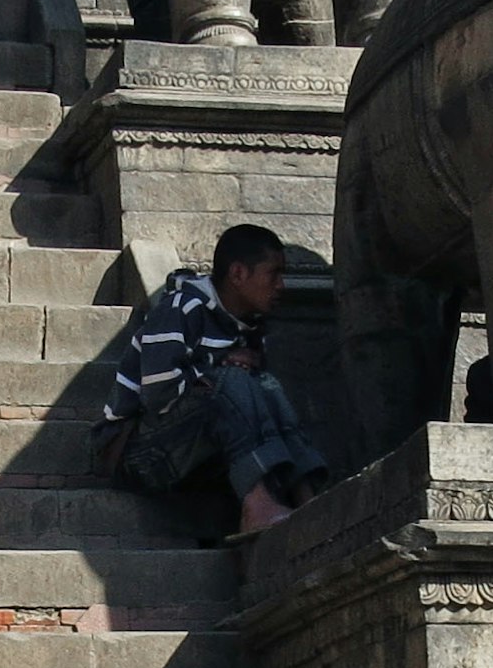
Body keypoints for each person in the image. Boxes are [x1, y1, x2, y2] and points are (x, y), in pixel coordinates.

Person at [94, 222, 327, 537]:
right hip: (134, 453)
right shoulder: (180, 309)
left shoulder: (249, 327)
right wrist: (217, 367)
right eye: (273, 274)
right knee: (232, 382)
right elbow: (158, 395)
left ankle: (304, 497)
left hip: (197, 450)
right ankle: (257, 505)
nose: (281, 285)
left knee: (268, 387)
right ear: (238, 274)